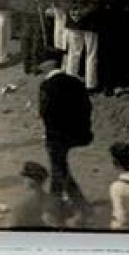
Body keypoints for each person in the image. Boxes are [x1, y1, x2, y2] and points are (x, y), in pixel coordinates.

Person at [37, 50, 91, 215]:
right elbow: (87, 107)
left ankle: (57, 206)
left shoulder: (47, 86)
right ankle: (75, 202)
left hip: (57, 135)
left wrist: (49, 133)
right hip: (78, 133)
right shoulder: (75, 82)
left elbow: (45, 112)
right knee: (60, 168)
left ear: (49, 64)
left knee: (58, 169)